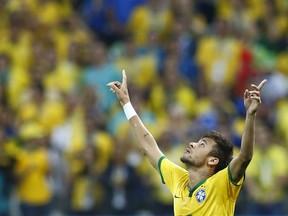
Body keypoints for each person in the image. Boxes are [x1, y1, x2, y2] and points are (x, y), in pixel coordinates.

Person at [107, 70, 267, 215]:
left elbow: (245, 156)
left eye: (202, 144)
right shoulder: (179, 179)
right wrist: (126, 103)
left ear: (213, 160)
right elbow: (148, 146)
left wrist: (250, 115)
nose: (192, 144)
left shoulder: (222, 184)